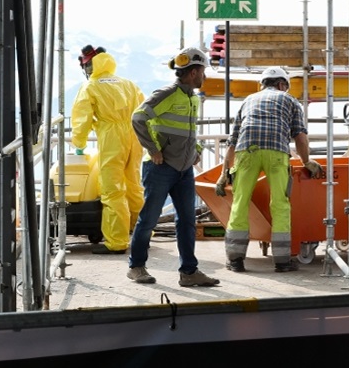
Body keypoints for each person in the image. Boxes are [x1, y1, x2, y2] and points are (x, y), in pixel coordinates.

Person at [216, 66, 325, 272]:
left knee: (240, 203)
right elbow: (300, 136)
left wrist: (224, 174)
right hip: (276, 152)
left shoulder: (248, 100)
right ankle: (282, 262)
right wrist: (306, 161)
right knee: (280, 205)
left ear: (263, 84)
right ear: (282, 84)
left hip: (246, 151)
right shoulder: (290, 101)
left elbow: (232, 141)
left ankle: (235, 260)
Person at [127, 47, 220, 287]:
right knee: (149, 219)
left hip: (183, 169)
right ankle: (136, 267)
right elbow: (138, 118)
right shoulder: (167, 93)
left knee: (187, 221)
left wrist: (196, 152)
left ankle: (189, 272)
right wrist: (153, 149)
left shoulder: (192, 98)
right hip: (160, 168)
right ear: (194, 72)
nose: (205, 77)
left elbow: (189, 133)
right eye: (203, 72)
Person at [71, 45, 145, 254]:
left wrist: (79, 143)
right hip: (135, 137)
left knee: (112, 190)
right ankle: (142, 235)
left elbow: (81, 119)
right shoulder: (128, 84)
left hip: (112, 138)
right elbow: (145, 111)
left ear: (91, 66)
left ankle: (117, 242)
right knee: (134, 187)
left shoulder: (91, 87)